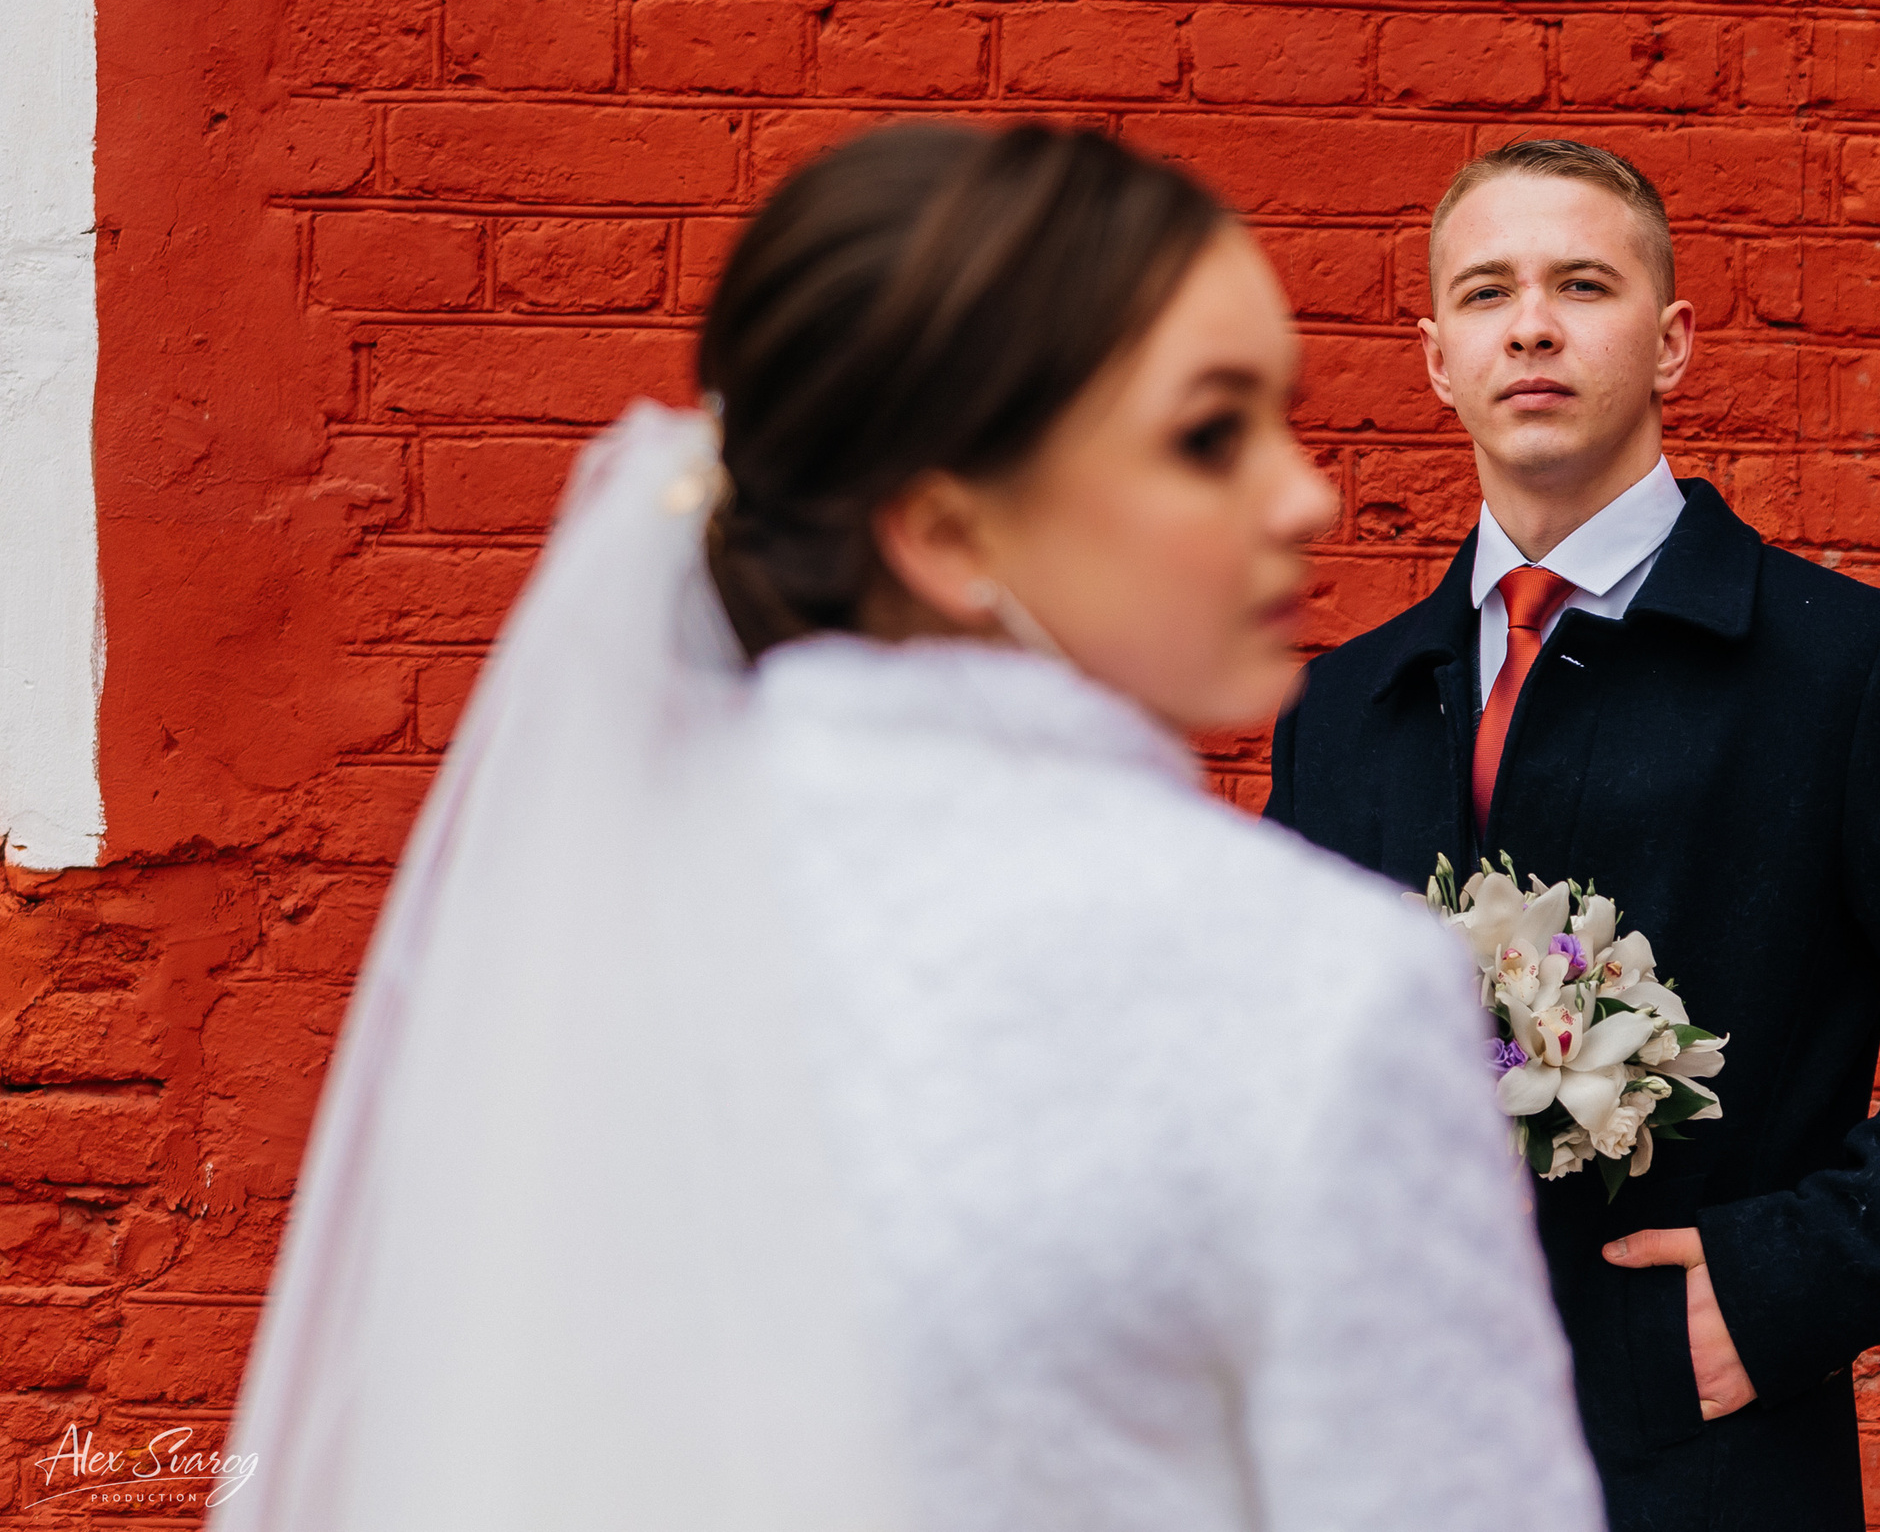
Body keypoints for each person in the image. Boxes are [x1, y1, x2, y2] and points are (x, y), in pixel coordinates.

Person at [215, 124, 1606, 1532]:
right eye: (1209, 435)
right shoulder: (1315, 982)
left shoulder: (580, 915)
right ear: (947, 534)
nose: (1305, 493)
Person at [1266, 139, 1880, 1531]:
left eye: (1582, 285)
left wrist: (1789, 1282)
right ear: (1436, 359)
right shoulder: (1341, 705)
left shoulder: (1844, 672)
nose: (1532, 323)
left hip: (1701, 1465)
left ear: (1668, 343)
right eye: (1487, 293)